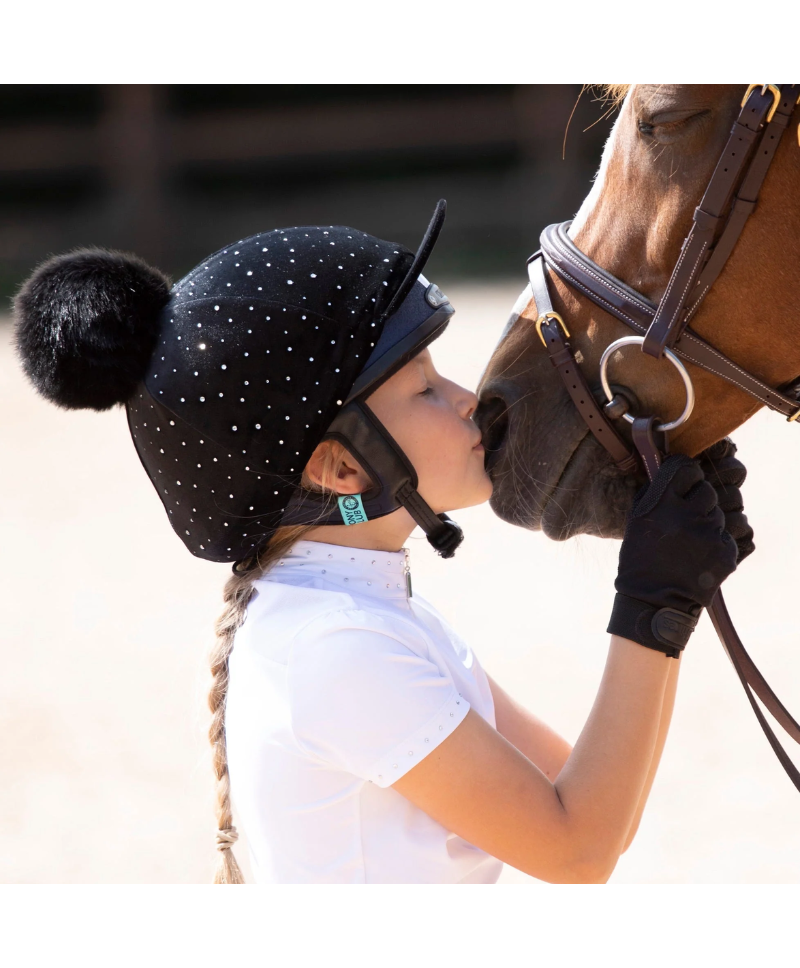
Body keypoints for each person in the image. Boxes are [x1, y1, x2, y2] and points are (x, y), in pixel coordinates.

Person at [13, 201, 752, 885]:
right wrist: (654, 601)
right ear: (341, 465)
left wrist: (672, 575)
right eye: (424, 389)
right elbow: (577, 848)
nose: (467, 400)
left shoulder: (358, 613)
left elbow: (588, 799)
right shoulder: (342, 648)